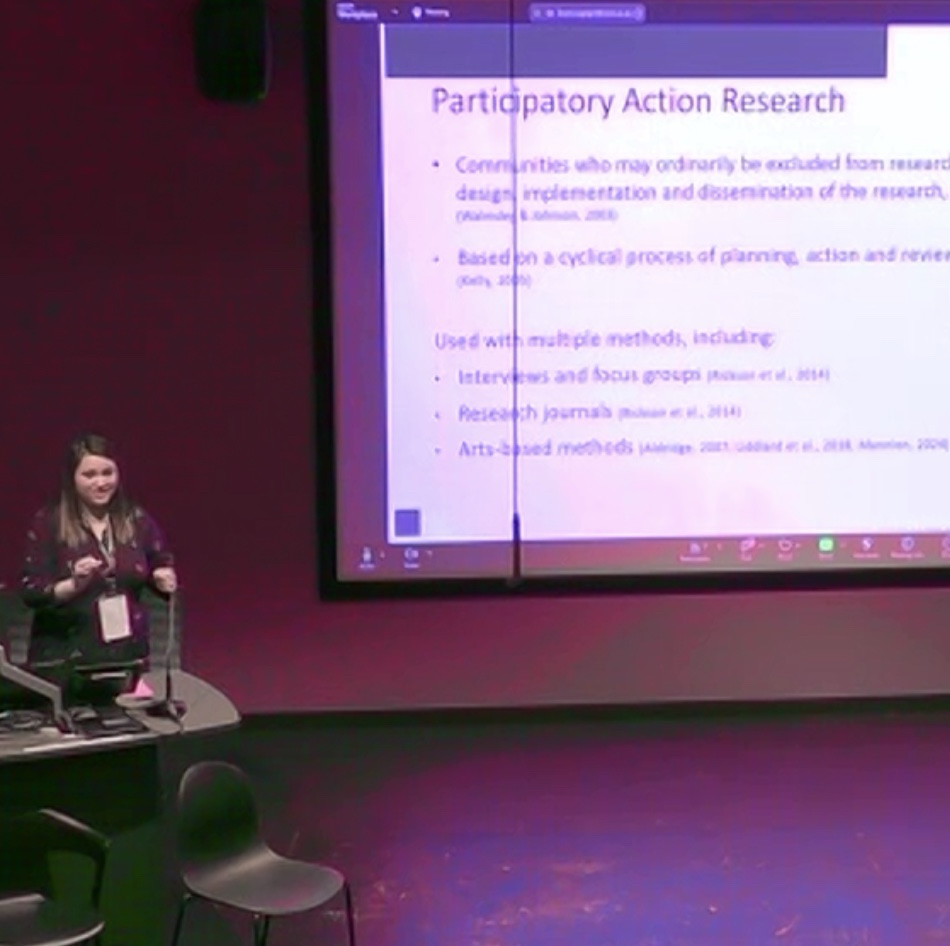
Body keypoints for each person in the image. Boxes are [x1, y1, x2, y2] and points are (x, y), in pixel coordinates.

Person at [20, 433, 178, 666]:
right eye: (90, 475)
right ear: (72, 478)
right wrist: (74, 584)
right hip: (64, 657)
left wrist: (161, 576)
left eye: (107, 473)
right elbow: (32, 591)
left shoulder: (135, 519)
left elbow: (158, 561)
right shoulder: (49, 523)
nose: (101, 483)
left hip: (126, 655)